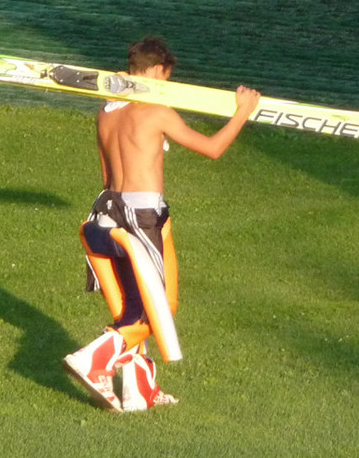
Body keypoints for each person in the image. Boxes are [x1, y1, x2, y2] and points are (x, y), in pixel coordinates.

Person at [62, 36, 260, 412]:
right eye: (167, 78)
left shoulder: (106, 111)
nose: (168, 86)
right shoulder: (156, 112)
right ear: (155, 71)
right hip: (142, 217)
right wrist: (242, 112)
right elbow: (213, 149)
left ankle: (139, 390)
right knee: (156, 307)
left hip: (107, 211)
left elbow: (107, 174)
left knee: (137, 304)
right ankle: (94, 358)